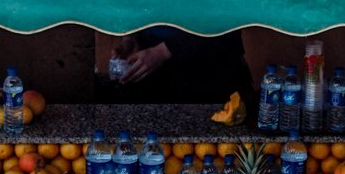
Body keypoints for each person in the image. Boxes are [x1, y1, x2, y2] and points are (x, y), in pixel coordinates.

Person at [105, 26, 254, 104]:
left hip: (210, 70)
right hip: (151, 69)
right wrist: (130, 38)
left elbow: (225, 12)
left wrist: (165, 50)